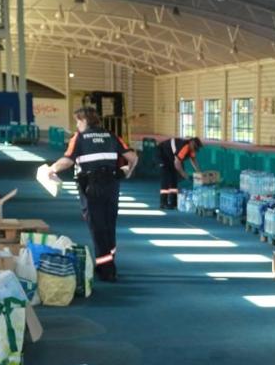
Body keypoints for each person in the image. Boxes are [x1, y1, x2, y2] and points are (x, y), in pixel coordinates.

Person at [48, 106, 137, 282]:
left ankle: (106, 270)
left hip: (91, 187)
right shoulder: (111, 135)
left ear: (84, 120)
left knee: (97, 228)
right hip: (112, 185)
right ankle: (110, 264)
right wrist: (127, 172)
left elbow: (67, 161)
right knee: (109, 225)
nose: (77, 125)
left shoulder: (79, 138)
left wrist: (51, 169)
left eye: (77, 121)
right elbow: (133, 158)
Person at [158, 136, 201, 209]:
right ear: (191, 143)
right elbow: (177, 163)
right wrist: (184, 174)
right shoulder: (185, 147)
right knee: (166, 178)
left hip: (171, 156)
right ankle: (163, 203)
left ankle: (173, 203)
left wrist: (199, 172)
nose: (195, 150)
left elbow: (193, 160)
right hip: (162, 154)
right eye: (195, 148)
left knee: (174, 179)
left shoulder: (192, 148)